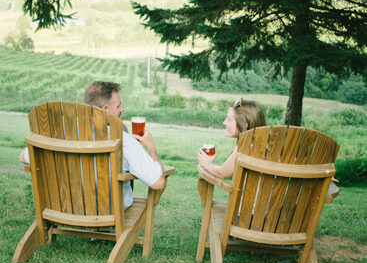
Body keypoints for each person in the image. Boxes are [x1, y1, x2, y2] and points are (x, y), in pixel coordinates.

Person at [20, 81, 165, 210]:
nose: (122, 109)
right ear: (104, 109)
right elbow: (158, 183)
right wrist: (151, 148)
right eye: (118, 105)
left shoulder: (62, 135)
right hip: (111, 210)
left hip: (67, 207)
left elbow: (23, 157)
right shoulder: (124, 139)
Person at [198, 99, 266, 179]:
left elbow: (222, 173)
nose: (224, 122)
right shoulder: (264, 146)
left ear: (245, 124)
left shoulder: (246, 146)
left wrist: (206, 164)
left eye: (229, 119)